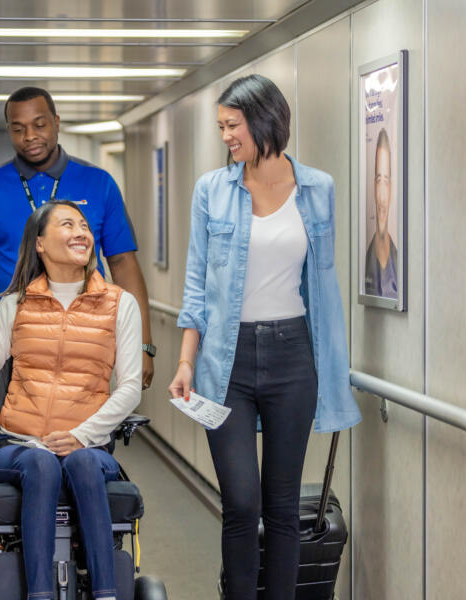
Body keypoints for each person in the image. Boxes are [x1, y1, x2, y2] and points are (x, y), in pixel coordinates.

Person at [167, 74, 361, 599]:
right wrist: (186, 362)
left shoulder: (318, 189)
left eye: (232, 125)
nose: (226, 136)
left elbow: (322, 287)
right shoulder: (213, 189)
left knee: (280, 507)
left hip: (292, 355)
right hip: (224, 362)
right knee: (242, 503)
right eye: (221, 126)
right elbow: (195, 283)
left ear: (264, 120)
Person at [0, 201, 141, 600]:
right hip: (18, 445)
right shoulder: (15, 304)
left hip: (87, 443)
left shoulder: (120, 304)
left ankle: (105, 593)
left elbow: (130, 387)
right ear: (39, 243)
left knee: (85, 460)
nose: (82, 232)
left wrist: (81, 435)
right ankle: (39, 594)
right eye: (68, 224)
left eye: (85, 226)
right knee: (39, 462)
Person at [0, 86, 155, 393]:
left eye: (39, 125)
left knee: (85, 432)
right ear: (8, 130)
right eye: (18, 129)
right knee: (17, 428)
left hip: (90, 341)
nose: (30, 136)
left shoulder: (98, 183)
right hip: (14, 343)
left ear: (57, 122)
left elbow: (124, 263)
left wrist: (143, 345)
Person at [363, 128, 399, 298]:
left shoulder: (400, 263)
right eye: (379, 182)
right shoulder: (364, 264)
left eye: (386, 182)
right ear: (373, 186)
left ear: (391, 188)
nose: (382, 198)